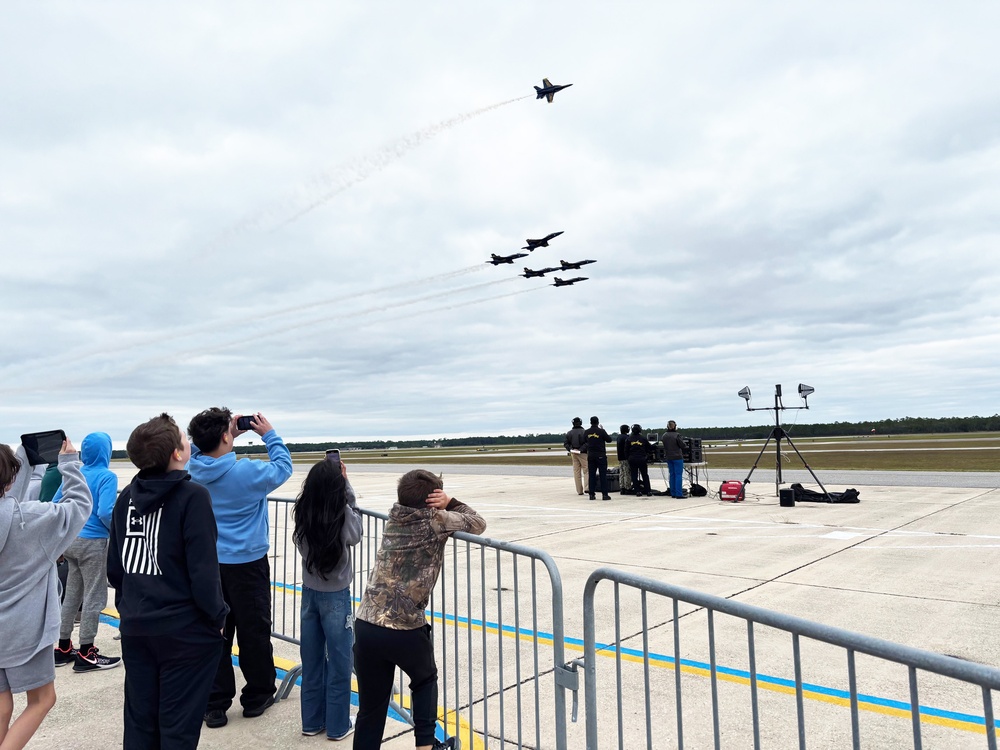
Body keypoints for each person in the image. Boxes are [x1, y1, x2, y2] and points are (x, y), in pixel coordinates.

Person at [107, 413, 229, 749]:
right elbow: (204, 572)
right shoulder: (193, 497)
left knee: (140, 723)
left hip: (137, 626)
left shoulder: (126, 498)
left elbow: (115, 569)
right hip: (184, 632)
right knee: (177, 727)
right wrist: (217, 617)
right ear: (177, 453)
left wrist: (130, 607)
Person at [353, 470, 486, 750]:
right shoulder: (435, 519)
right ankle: (426, 745)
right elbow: (478, 523)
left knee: (371, 708)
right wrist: (449, 502)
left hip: (367, 621)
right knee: (425, 680)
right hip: (404, 625)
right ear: (432, 500)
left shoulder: (395, 514)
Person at [186, 408, 293, 727]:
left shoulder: (191, 470)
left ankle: (215, 703)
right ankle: (258, 695)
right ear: (225, 437)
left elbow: (193, 451)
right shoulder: (246, 473)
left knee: (213, 633)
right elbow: (283, 467)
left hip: (208, 566)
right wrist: (268, 434)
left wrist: (219, 436)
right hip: (248, 564)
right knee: (254, 632)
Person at [1, 439, 92, 750]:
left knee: (1, 707)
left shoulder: (19, 516)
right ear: (10, 478)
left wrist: (20, 462)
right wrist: (69, 464)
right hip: (25, 632)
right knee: (42, 699)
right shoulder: (30, 520)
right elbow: (80, 507)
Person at [291, 456, 362, 741]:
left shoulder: (303, 512)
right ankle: (337, 725)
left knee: (312, 660)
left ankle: (311, 721)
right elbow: (356, 533)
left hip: (309, 595)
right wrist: (348, 488)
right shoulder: (341, 514)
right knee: (340, 662)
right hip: (336, 596)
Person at [53, 431, 121, 672]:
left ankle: (62, 647)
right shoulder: (107, 476)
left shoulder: (77, 472)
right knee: (94, 595)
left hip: (71, 540)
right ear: (107, 451)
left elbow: (56, 502)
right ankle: (87, 652)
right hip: (93, 543)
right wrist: (115, 532)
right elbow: (105, 512)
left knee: (72, 593)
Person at [584, 417, 613, 501]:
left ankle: (592, 494)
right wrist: (603, 431)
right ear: (598, 422)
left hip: (591, 455)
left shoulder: (587, 432)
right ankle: (604, 494)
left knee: (592, 475)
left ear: (590, 422)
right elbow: (609, 440)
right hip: (601, 455)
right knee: (603, 475)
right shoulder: (601, 431)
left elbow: (584, 440)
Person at [563, 417, 588, 496]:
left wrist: (571, 449)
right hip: (583, 453)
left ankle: (579, 490)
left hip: (574, 453)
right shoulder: (584, 432)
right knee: (586, 471)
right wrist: (580, 449)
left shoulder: (569, 433)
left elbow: (566, 444)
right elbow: (587, 443)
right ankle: (587, 488)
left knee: (576, 472)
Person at [627, 425, 653, 497]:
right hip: (642, 459)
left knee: (634, 475)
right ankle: (648, 491)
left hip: (632, 459)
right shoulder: (643, 439)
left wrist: (628, 458)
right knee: (644, 475)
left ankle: (637, 491)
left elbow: (626, 450)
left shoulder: (629, 439)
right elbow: (649, 448)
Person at [662, 420, 686, 498]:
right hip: (677, 457)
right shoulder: (677, 435)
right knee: (678, 475)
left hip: (669, 457)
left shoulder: (664, 435)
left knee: (672, 475)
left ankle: (673, 493)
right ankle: (679, 494)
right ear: (675, 426)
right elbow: (682, 445)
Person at [616, 424, 632, 493]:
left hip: (620, 457)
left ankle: (622, 487)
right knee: (627, 472)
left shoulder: (619, 437)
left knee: (621, 472)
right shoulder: (627, 437)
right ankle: (627, 487)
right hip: (625, 457)